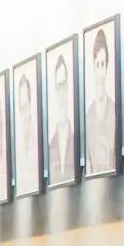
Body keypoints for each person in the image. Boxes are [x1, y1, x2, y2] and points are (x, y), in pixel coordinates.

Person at [86, 27, 117, 170]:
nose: (100, 71)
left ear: (107, 67)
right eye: (97, 64)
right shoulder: (88, 117)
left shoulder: (115, 111)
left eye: (103, 64)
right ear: (93, 67)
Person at [48, 52, 76, 184]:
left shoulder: (77, 140)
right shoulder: (50, 146)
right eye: (58, 86)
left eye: (64, 85)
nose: (61, 91)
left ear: (69, 87)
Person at [14, 67, 39, 189]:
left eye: (26, 106)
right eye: (21, 107)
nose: (23, 113)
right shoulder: (15, 151)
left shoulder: (39, 146)